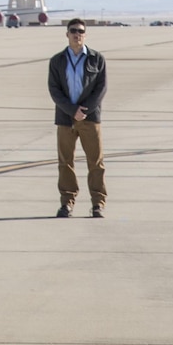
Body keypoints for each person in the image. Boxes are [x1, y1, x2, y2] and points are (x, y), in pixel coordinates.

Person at [48, 18, 107, 217]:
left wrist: (85, 110)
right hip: (66, 119)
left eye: (80, 31)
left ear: (85, 34)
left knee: (95, 162)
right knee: (65, 162)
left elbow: (101, 88)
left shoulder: (96, 59)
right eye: (73, 31)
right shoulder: (57, 61)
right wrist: (71, 110)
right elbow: (54, 90)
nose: (77, 34)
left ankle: (98, 203)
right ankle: (67, 203)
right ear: (67, 34)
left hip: (90, 119)